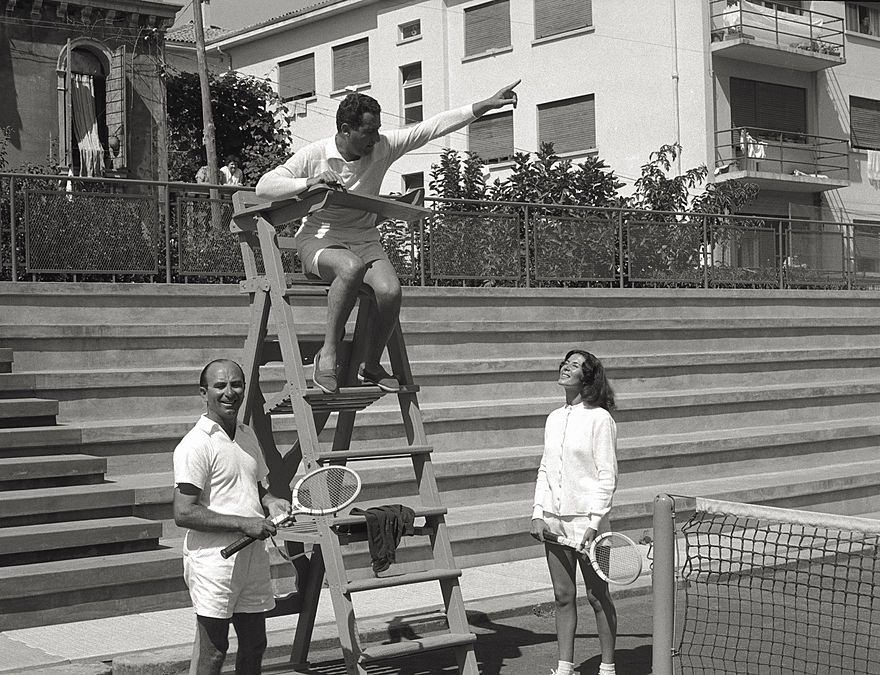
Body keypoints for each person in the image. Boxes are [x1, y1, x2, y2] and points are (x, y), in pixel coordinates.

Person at [255, 81, 520, 394]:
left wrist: (485, 104)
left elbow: (431, 127)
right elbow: (264, 186)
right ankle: (327, 354)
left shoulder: (382, 146)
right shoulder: (315, 155)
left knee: (391, 291)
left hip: (365, 239)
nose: (376, 138)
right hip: (320, 241)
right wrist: (308, 182)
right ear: (345, 129)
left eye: (378, 130)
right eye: (369, 132)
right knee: (350, 268)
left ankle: (371, 363)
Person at [172, 359, 291, 675]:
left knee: (255, 644)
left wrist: (272, 503)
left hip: (252, 556)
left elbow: (255, 486)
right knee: (214, 651)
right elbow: (183, 512)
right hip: (214, 561)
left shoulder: (246, 434)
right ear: (204, 392)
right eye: (220, 386)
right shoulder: (194, 445)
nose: (229, 393)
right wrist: (244, 523)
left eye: (236, 384)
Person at [530, 349, 618, 675]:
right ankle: (564, 669)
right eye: (566, 362)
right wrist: (538, 512)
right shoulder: (553, 418)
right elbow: (545, 468)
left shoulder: (601, 420)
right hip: (554, 522)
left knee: (598, 597)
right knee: (562, 596)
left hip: (590, 526)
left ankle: (607, 668)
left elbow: (608, 475)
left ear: (588, 378)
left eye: (576, 365)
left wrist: (595, 522)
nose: (567, 367)